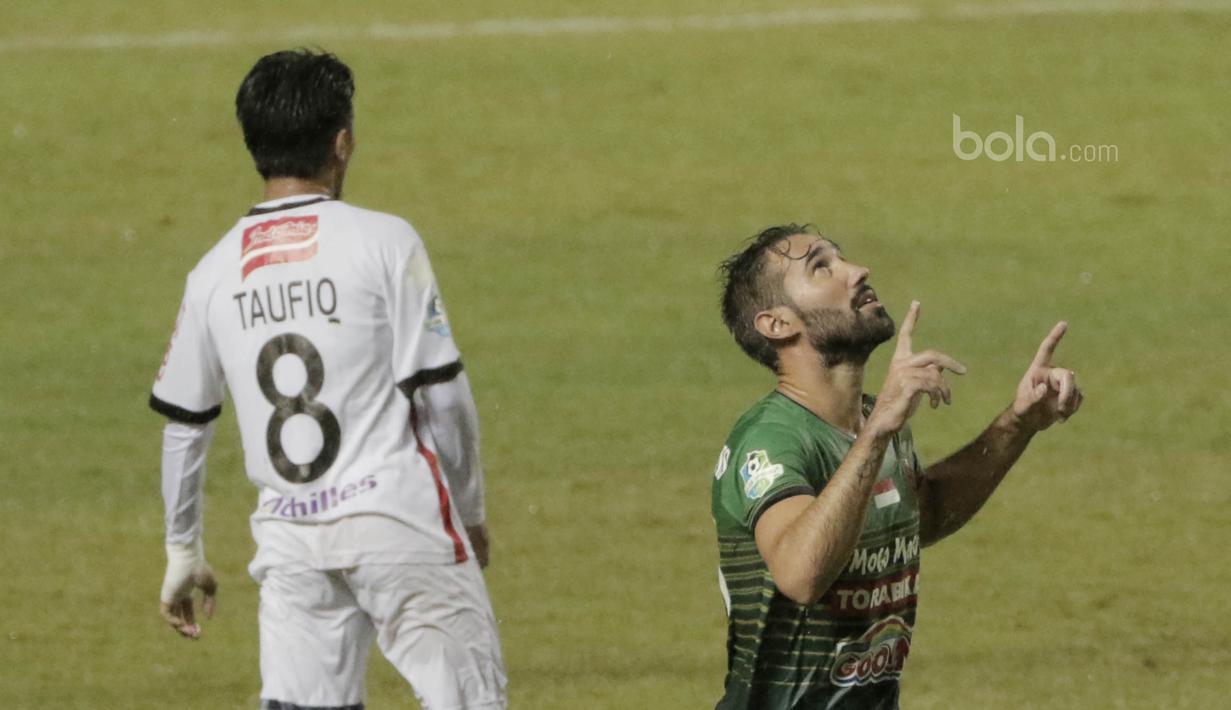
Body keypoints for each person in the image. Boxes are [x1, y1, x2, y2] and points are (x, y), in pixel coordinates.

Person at [149, 49, 507, 710]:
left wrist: (182, 550)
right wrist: (470, 510)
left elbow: (185, 428)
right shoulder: (385, 242)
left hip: (292, 545)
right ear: (341, 143)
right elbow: (444, 395)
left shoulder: (212, 274)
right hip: (400, 524)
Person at [711, 224, 1083, 708]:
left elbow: (924, 513)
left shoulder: (873, 421)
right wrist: (879, 430)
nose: (856, 271)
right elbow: (801, 575)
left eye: (841, 257)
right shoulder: (770, 439)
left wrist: (1017, 424)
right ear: (777, 324)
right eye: (821, 267)